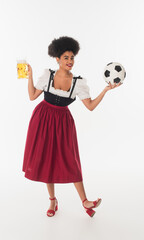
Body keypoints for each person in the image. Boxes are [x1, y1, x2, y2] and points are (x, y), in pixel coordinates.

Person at [22, 36, 121, 217]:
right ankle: (52, 200)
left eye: (72, 57)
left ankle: (85, 200)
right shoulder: (47, 75)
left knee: (71, 160)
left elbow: (90, 106)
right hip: (42, 119)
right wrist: (30, 75)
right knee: (46, 160)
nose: (70, 61)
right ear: (57, 59)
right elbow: (32, 96)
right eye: (66, 57)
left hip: (63, 124)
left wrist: (105, 90)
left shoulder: (78, 83)